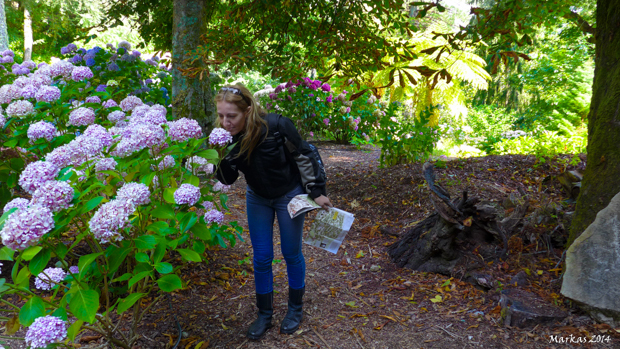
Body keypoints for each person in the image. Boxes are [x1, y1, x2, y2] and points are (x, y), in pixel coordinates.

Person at [215, 84, 332, 339]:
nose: (226, 122)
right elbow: (227, 179)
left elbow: (304, 155)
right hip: (257, 197)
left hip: (289, 195)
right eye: (221, 116)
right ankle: (264, 315)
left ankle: (295, 309)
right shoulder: (227, 137)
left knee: (291, 253)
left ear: (247, 110)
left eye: (231, 116)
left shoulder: (277, 126)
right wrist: (218, 155)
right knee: (262, 257)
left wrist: (317, 191)